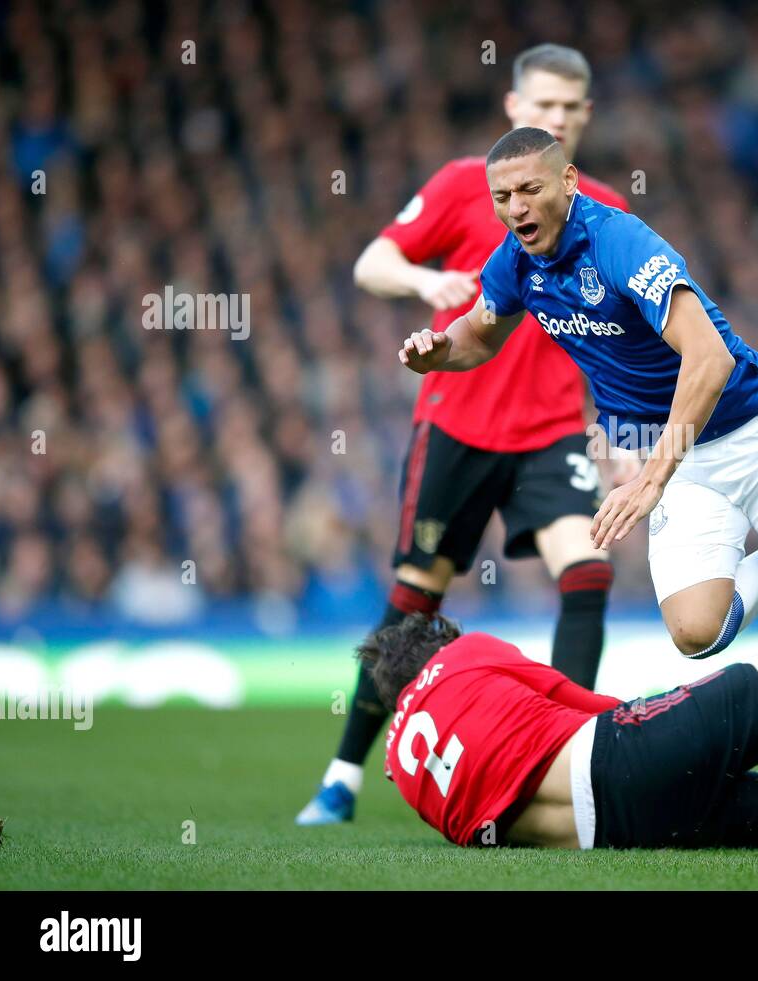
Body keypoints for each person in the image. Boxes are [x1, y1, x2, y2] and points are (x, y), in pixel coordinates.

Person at [397, 125, 758, 712]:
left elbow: (710, 359)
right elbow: (481, 330)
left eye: (528, 189)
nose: (515, 208)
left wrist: (650, 477)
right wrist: (442, 350)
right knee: (697, 634)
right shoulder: (516, 261)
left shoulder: (620, 244)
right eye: (501, 197)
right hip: (679, 457)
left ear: (567, 181)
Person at [298, 46, 633, 826]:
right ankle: (342, 774)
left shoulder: (608, 209)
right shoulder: (462, 187)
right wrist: (425, 283)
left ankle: (572, 750)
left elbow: (630, 328)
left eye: (570, 108)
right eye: (542, 105)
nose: (555, 118)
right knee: (415, 600)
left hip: (552, 433)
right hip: (456, 425)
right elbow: (371, 262)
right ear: (514, 108)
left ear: (585, 117)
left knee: (588, 572)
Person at [370, 612, 758, 848]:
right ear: (437, 642)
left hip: (627, 836)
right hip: (618, 757)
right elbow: (582, 700)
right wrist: (668, 717)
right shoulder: (464, 652)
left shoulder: (404, 771)